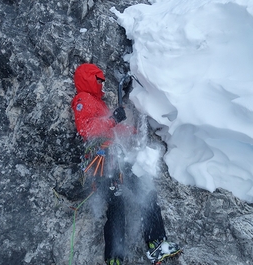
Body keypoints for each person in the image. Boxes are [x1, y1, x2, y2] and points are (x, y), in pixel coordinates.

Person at [71, 63, 181, 265]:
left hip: (112, 160)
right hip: (104, 162)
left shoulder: (97, 103)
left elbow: (109, 130)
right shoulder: (82, 100)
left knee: (125, 201)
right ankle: (148, 247)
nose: (102, 85)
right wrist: (113, 119)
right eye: (99, 80)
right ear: (89, 79)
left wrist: (132, 131)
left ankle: (124, 256)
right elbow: (87, 130)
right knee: (130, 198)